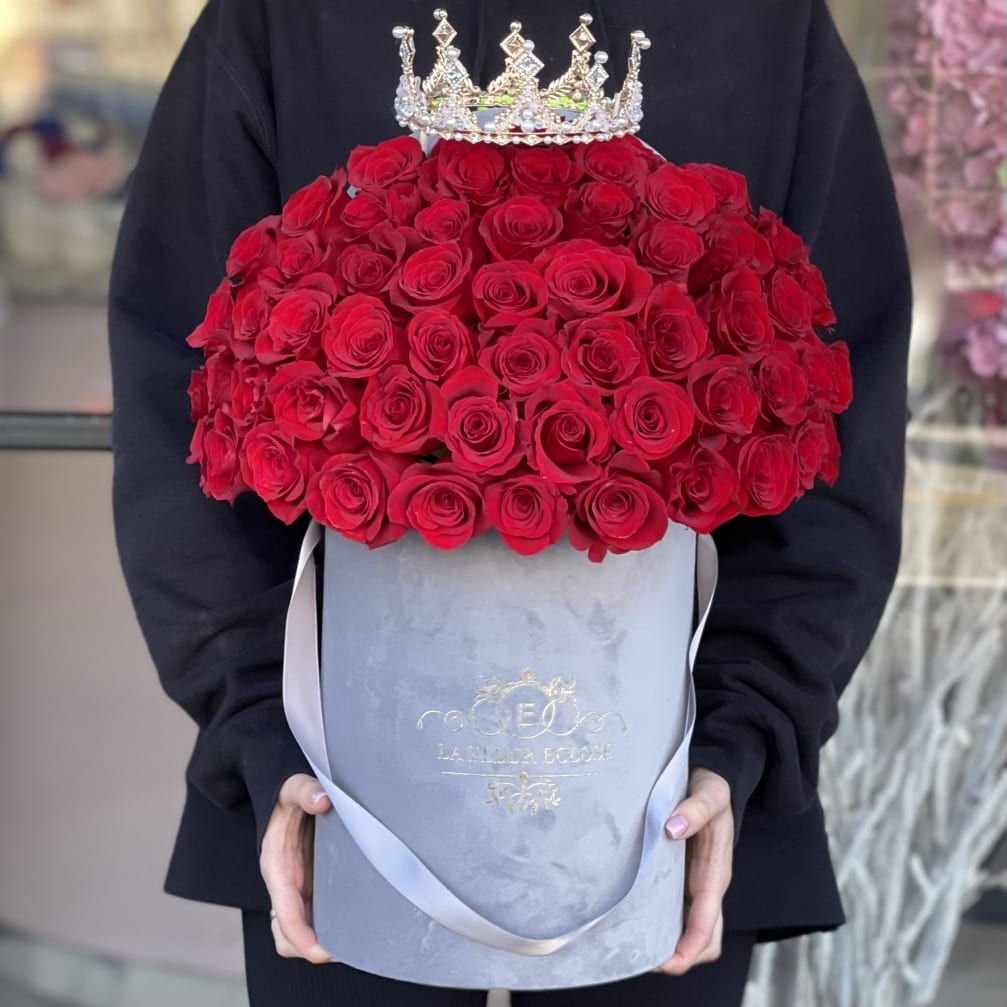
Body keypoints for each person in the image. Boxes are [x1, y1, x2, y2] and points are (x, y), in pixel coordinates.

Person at [107, 1, 912, 1004]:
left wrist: (737, 739)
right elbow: (183, 379)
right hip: (331, 789)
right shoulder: (283, 15)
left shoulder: (763, 21)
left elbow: (837, 413)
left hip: (672, 794)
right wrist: (267, 730)